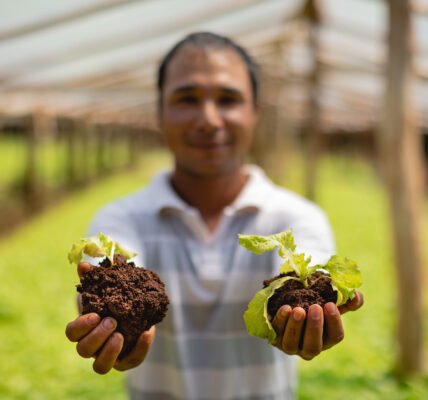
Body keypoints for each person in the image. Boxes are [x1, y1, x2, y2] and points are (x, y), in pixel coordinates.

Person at [65, 32, 363, 400]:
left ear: (255, 111)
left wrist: (319, 293)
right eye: (187, 99)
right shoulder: (122, 216)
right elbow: (107, 261)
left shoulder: (297, 216)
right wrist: (106, 312)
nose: (208, 119)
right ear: (159, 111)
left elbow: (315, 262)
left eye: (228, 99)